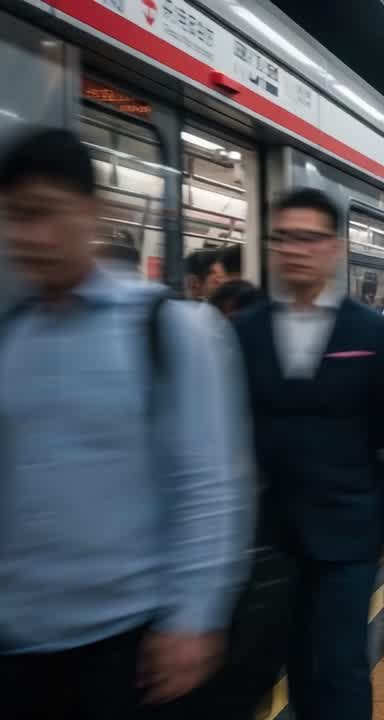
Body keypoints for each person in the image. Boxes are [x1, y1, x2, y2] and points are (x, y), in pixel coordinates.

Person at [0, 127, 250, 718]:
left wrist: (193, 618)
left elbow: (210, 485)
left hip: (132, 645)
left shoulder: (168, 329)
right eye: (13, 217)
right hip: (19, 641)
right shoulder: (11, 337)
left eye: (44, 214)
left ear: (92, 213)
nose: (26, 236)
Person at [231, 187, 384, 720]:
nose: (295, 250)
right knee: (277, 663)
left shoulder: (375, 334)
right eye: (283, 238)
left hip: (347, 532)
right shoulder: (244, 332)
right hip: (265, 537)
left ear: (335, 247)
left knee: (339, 666)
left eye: (309, 238)